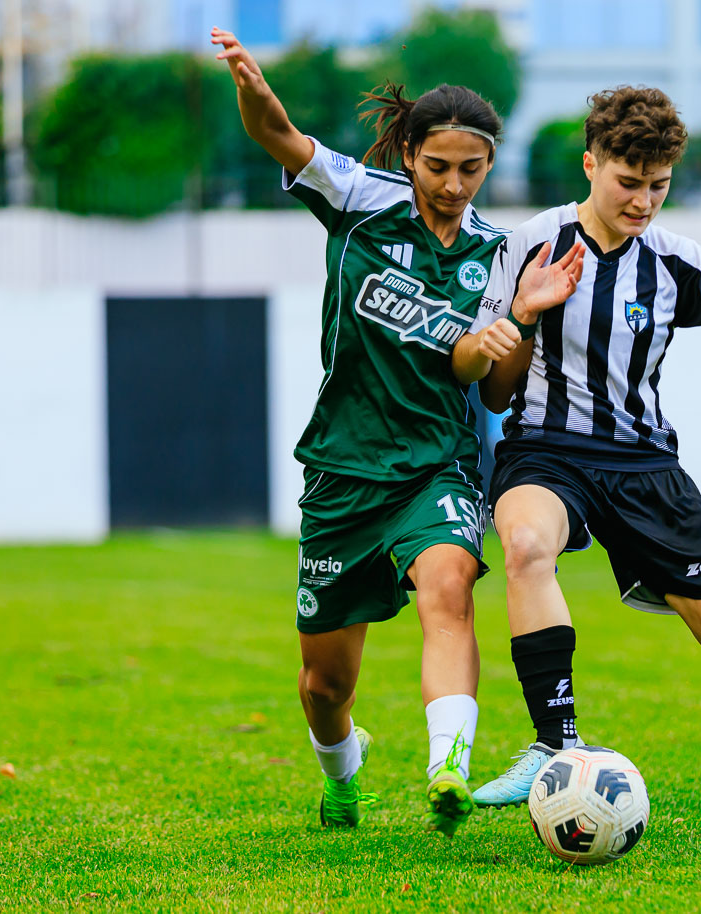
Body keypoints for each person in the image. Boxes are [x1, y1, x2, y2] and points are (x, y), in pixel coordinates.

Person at [451, 86, 701, 839]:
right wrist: (525, 314)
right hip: (545, 451)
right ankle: (554, 744)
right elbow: (495, 389)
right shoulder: (530, 244)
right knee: (526, 545)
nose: (643, 201)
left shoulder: (676, 260)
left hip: (645, 464)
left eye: (658, 185)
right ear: (591, 164)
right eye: (629, 182)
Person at [211, 27, 528, 839]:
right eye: (438, 165)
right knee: (324, 685)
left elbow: (485, 380)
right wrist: (253, 85)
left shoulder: (498, 255)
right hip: (343, 470)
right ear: (410, 153)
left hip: (437, 465)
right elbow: (279, 135)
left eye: (471, 168)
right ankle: (342, 769)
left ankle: (448, 768)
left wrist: (508, 337)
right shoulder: (360, 199)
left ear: (489, 164)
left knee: (449, 589)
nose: (453, 184)